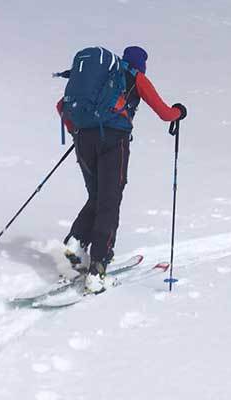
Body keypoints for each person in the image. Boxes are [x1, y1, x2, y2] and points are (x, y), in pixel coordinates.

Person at [55, 46, 187, 293]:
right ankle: (98, 270)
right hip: (114, 141)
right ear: (141, 64)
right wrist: (179, 112)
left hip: (84, 140)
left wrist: (79, 130)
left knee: (97, 196)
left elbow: (61, 106)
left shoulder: (101, 77)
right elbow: (165, 113)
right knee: (109, 200)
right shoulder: (136, 77)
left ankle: (75, 243)